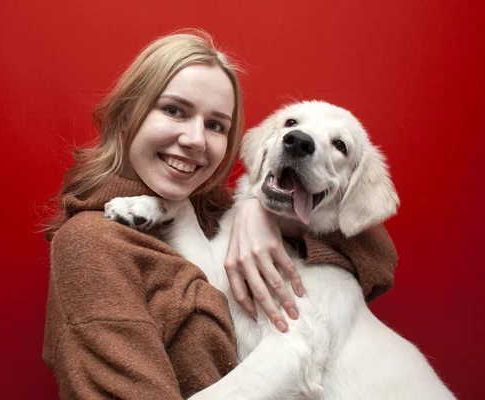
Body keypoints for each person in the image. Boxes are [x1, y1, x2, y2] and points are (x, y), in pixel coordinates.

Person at [42, 30, 398, 399]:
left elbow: (375, 255)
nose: (196, 139)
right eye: (173, 110)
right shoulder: (91, 245)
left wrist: (257, 210)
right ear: (127, 115)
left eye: (215, 125)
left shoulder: (210, 214)